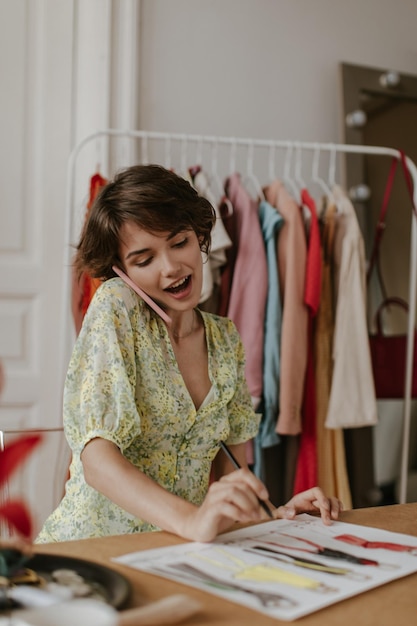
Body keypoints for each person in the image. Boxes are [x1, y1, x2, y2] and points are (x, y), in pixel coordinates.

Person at [36, 164, 341, 544]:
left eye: (179, 243)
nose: (171, 268)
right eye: (145, 260)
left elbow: (233, 473)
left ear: (199, 236)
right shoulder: (116, 307)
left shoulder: (224, 339)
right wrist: (192, 522)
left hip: (177, 553)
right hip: (98, 549)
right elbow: (97, 460)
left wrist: (278, 517)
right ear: (121, 270)